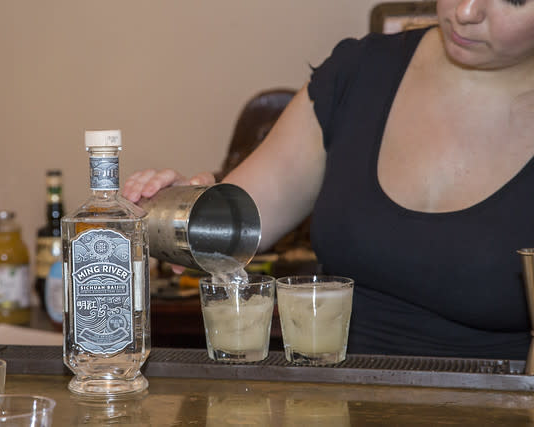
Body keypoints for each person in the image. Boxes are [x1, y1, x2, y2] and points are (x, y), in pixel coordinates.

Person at [123, 0, 534, 360]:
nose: (466, 11)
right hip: (334, 395)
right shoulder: (360, 72)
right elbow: (233, 229)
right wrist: (170, 209)